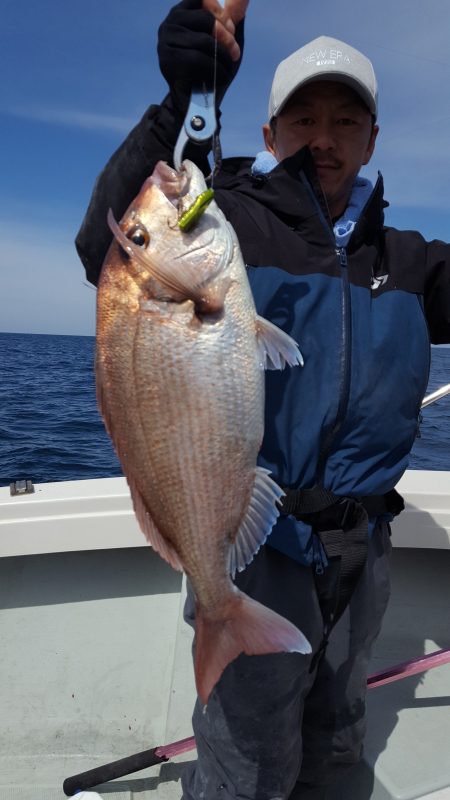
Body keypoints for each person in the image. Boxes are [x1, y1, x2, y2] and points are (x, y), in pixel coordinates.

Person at [75, 2, 450, 798]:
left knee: (336, 743)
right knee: (247, 764)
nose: (325, 138)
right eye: (304, 119)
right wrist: (182, 100)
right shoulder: (230, 223)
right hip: (263, 549)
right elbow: (108, 247)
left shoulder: (412, 261)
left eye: (346, 121)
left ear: (373, 139)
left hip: (364, 552)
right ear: (271, 133)